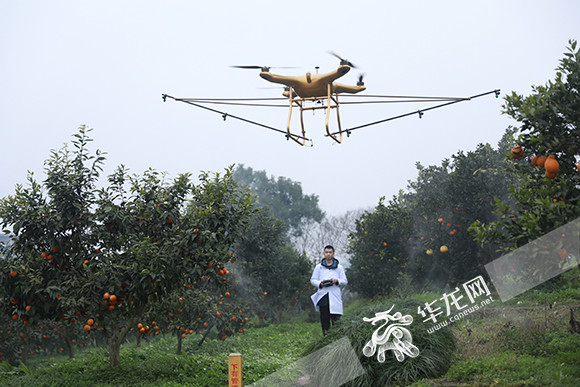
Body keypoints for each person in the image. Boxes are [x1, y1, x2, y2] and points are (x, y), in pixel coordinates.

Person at [310, 245, 348, 336]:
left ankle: (337, 337)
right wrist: (320, 283)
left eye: (330, 252)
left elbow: (345, 281)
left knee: (336, 320)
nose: (328, 254)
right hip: (323, 295)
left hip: (334, 295)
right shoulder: (318, 267)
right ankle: (326, 336)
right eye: (326, 252)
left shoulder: (339, 268)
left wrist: (336, 280)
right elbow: (313, 280)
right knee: (324, 318)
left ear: (333, 254)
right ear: (324, 253)